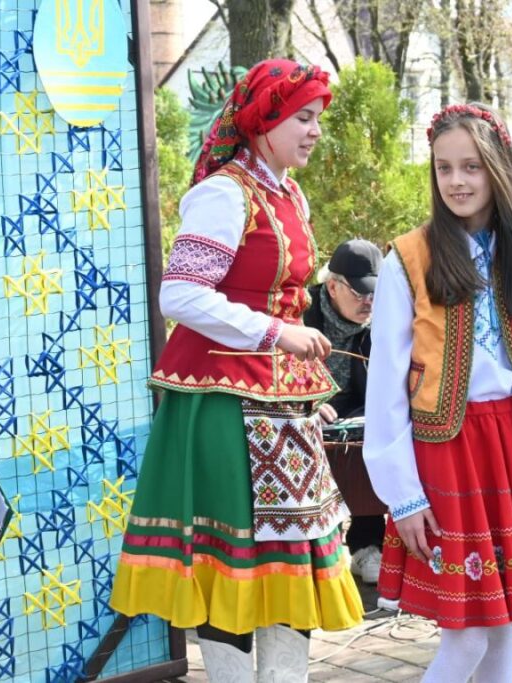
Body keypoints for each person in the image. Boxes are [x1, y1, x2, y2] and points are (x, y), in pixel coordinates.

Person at [110, 59, 363, 680]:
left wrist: (301, 377)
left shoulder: (288, 194)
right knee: (232, 562)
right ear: (262, 121)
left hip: (282, 409)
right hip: (224, 405)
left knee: (290, 561)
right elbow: (180, 295)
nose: (314, 130)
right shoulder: (224, 194)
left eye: (317, 119)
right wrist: (277, 332)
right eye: (302, 117)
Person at [362, 103, 512, 683]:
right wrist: (403, 495)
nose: (456, 181)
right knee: (469, 636)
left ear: (498, 170)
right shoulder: (408, 259)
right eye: (444, 168)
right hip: (448, 450)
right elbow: (385, 385)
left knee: (502, 625)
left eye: (471, 167)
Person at [304, 239, 387, 584]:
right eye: (360, 293)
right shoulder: (301, 313)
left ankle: (367, 545)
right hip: (306, 411)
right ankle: (320, 548)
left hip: (356, 411)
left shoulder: (382, 322)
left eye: (374, 293)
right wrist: (310, 404)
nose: (369, 302)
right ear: (333, 286)